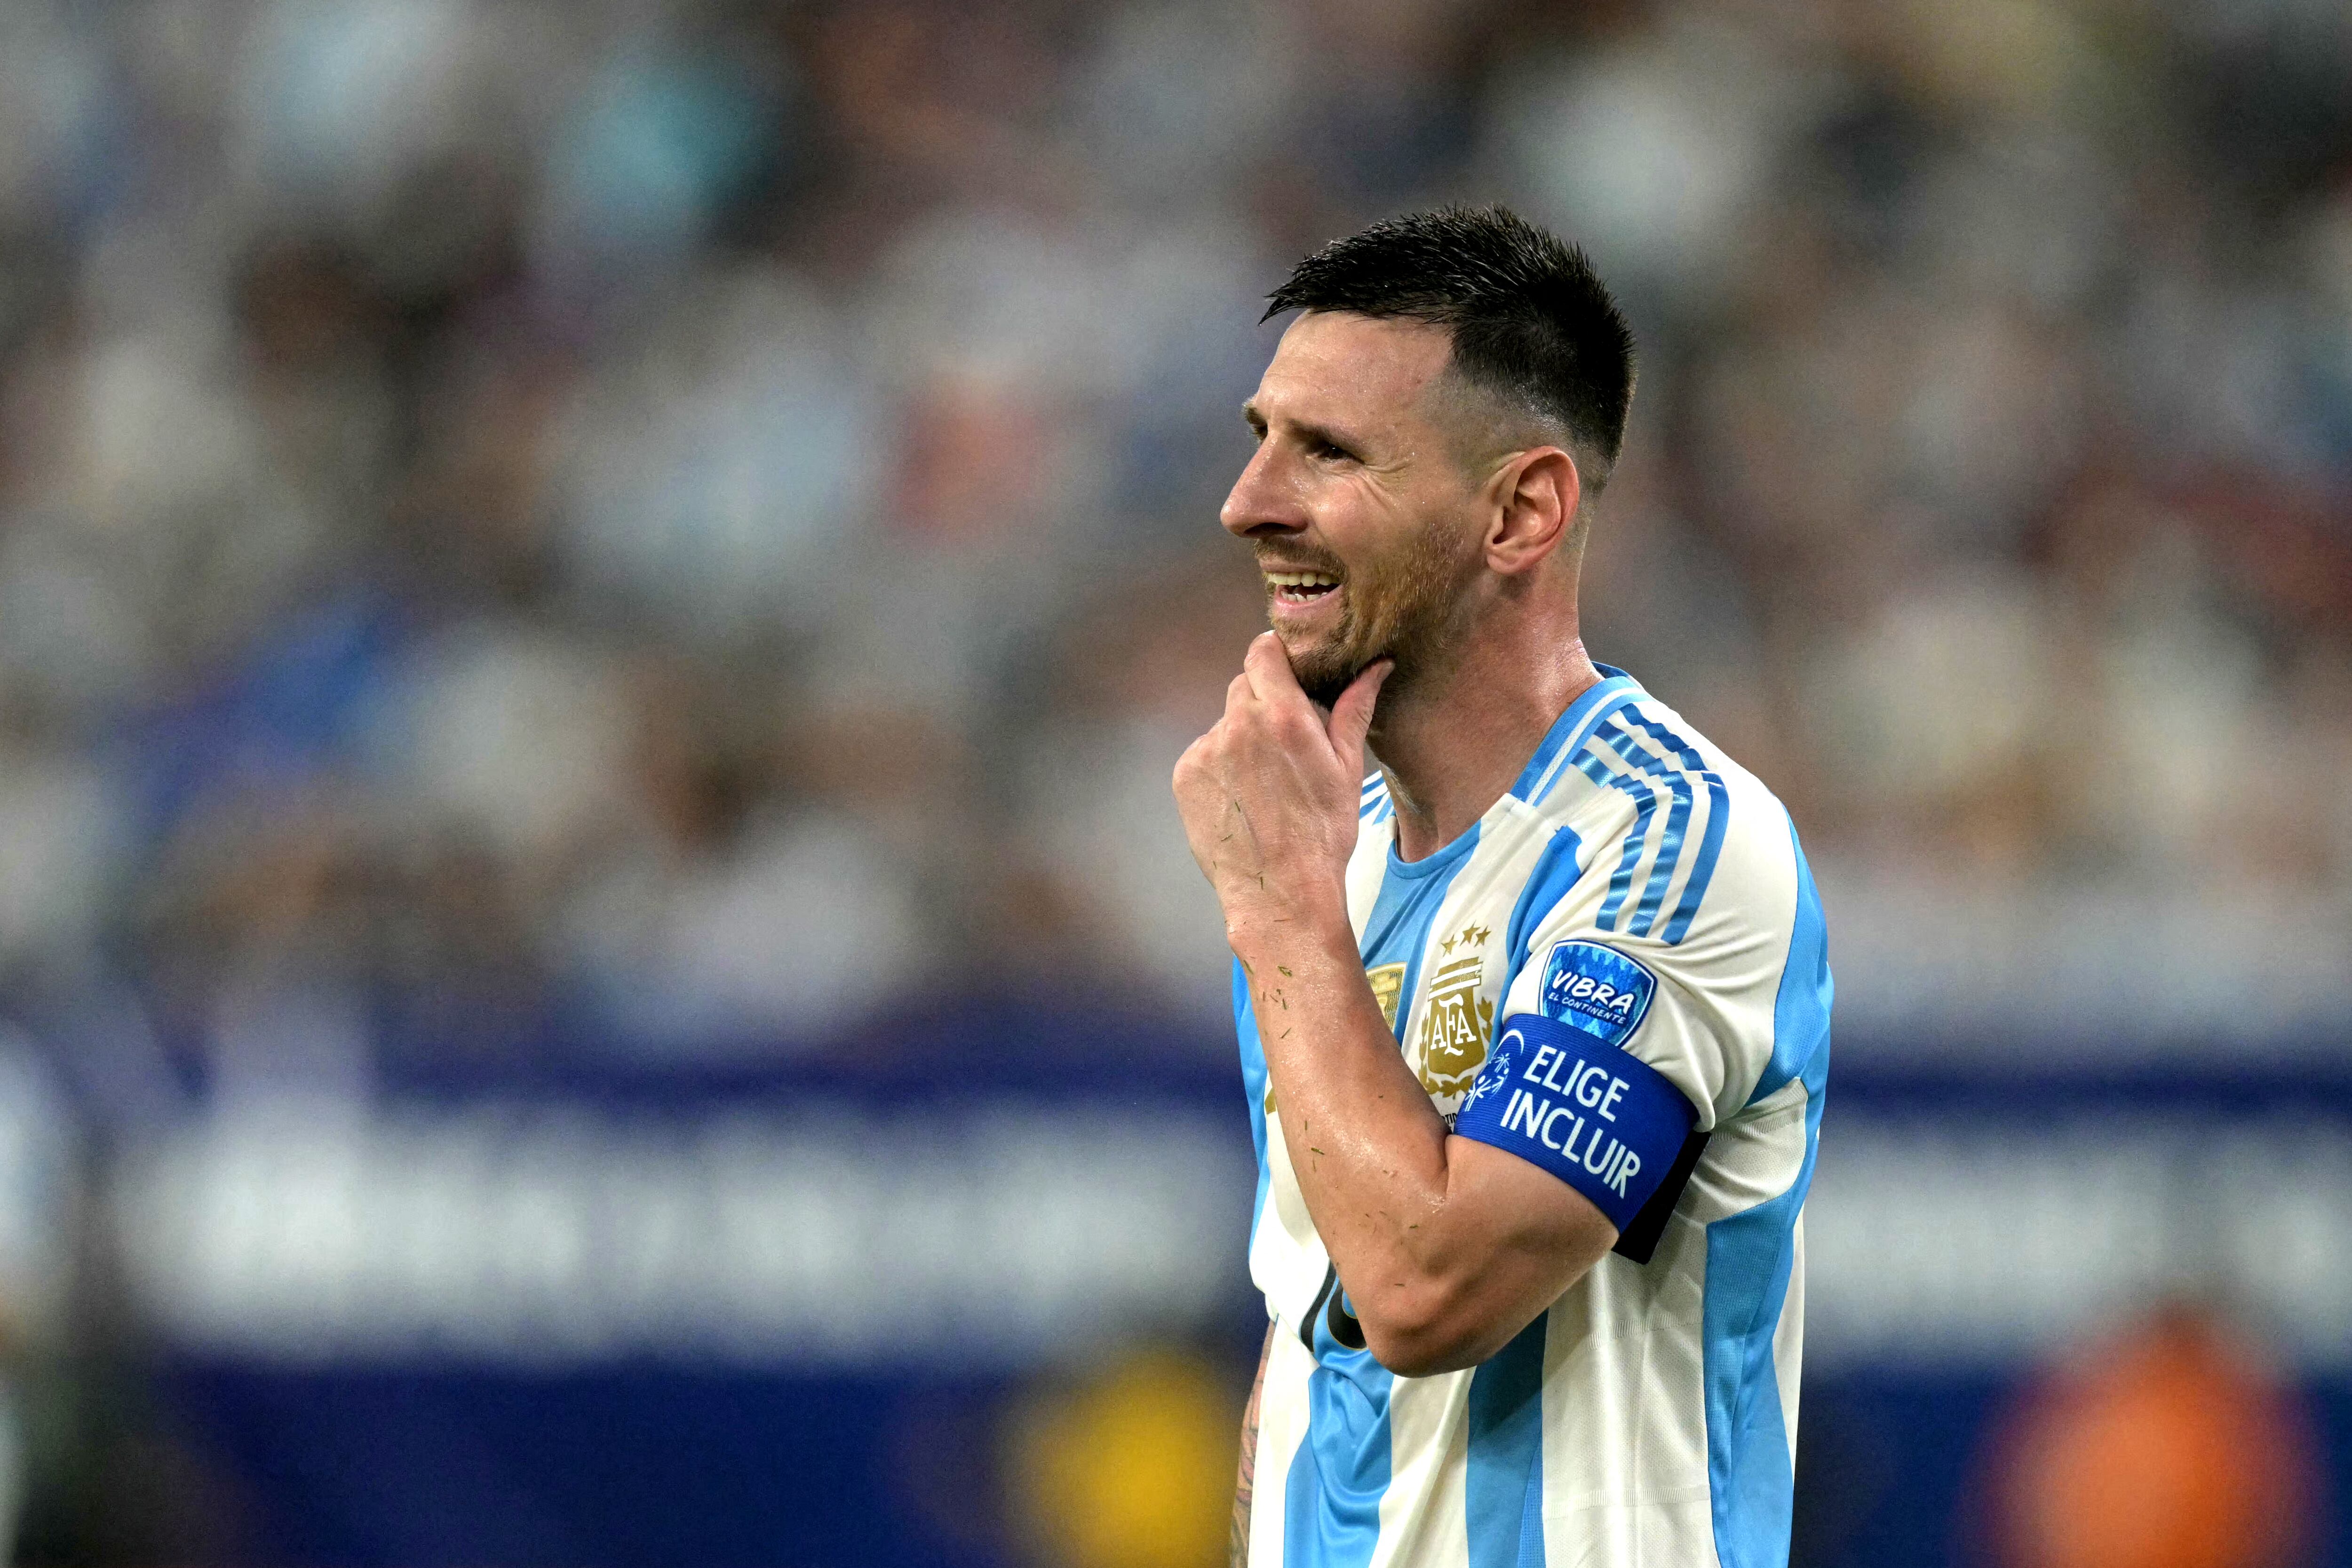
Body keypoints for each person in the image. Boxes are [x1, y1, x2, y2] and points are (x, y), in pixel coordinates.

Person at [1172, 206, 1831, 1568]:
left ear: (1521, 511)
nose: (1250, 504)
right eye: (1262, 440)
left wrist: (1280, 912)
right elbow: (1315, 1317)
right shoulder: (1324, 851)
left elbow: (1426, 1287)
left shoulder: (1672, 845)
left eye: (1330, 453)